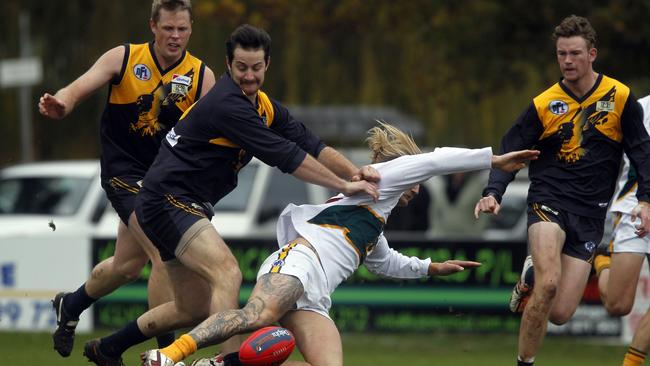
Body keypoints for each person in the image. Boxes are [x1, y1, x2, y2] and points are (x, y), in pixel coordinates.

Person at [79, 24, 381, 366]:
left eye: (255, 68)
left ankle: (109, 347)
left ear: (268, 65)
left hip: (172, 203)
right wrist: (342, 186)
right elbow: (285, 155)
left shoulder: (263, 105)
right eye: (241, 68)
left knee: (191, 308)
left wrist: (355, 172)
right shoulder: (228, 104)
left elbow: (308, 142)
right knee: (227, 273)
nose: (248, 77)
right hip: (169, 200)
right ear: (228, 64)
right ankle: (227, 361)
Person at [136, 121, 539, 366]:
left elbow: (385, 262)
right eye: (414, 180)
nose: (418, 188)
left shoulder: (375, 218)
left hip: (314, 295)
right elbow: (434, 162)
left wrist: (432, 267)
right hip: (298, 262)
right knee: (256, 316)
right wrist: (494, 160)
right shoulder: (383, 177)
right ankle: (169, 355)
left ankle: (222, 363)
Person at [37, 0, 216, 359]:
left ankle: (70, 305)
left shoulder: (201, 77)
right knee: (163, 253)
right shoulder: (124, 57)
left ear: (191, 28)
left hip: (168, 183)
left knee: (126, 266)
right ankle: (166, 352)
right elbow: (81, 85)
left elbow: (215, 133)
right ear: (153, 26)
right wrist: (62, 102)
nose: (175, 36)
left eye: (182, 29)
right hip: (125, 174)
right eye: (168, 28)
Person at [473, 15, 650, 366]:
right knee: (550, 284)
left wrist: (645, 199)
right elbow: (510, 152)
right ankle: (525, 361)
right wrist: (494, 192)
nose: (567, 61)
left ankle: (532, 276)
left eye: (574, 53)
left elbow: (642, 152)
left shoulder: (620, 97)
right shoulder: (543, 104)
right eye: (561, 54)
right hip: (548, 200)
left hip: (590, 212)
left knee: (561, 312)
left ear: (592, 54)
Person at [593, 95, 650, 366]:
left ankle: (632, 362)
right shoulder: (638, 107)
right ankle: (602, 261)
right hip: (635, 209)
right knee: (618, 305)